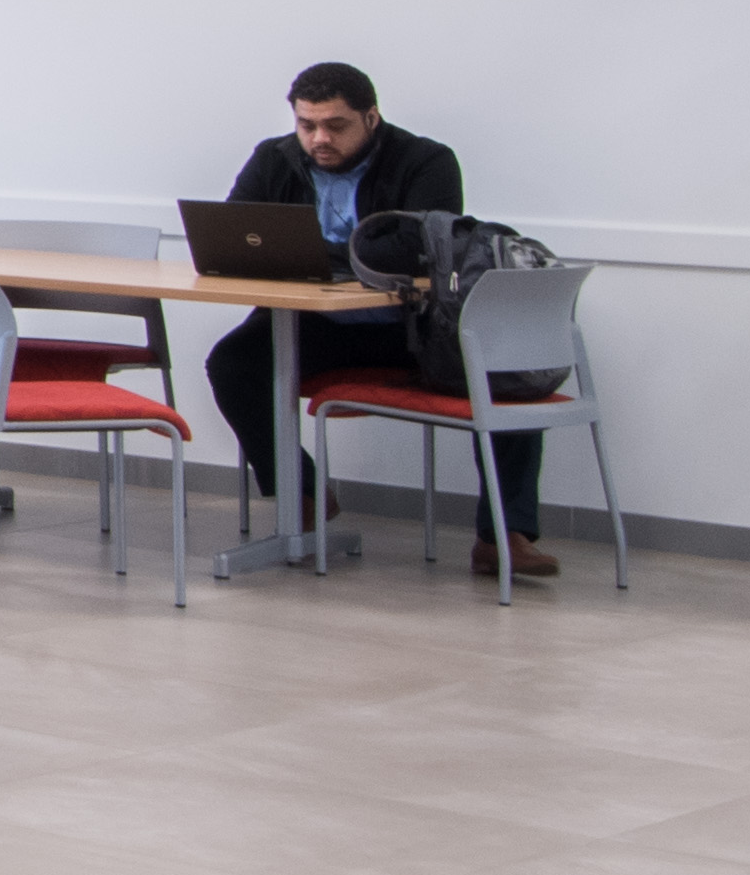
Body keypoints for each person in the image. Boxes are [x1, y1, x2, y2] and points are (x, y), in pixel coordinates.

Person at [208, 61, 542, 564]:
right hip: (319, 324)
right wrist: (351, 254)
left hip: (411, 330)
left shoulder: (426, 161)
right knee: (232, 363)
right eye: (307, 125)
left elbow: (420, 249)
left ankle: (502, 537)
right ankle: (303, 492)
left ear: (371, 117)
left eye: (335, 126)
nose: (319, 138)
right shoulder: (274, 158)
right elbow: (238, 231)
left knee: (504, 367)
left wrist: (310, 252)